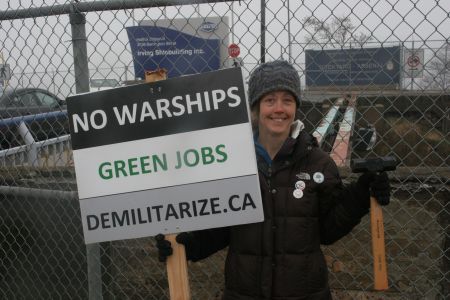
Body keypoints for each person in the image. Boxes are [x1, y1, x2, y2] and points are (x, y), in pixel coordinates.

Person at [156, 60, 391, 300]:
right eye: (270, 100)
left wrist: (361, 194)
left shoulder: (318, 163)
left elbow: (328, 231)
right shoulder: (232, 161)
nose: (279, 109)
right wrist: (184, 245)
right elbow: (221, 230)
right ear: (256, 108)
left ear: (296, 107)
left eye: (287, 100)